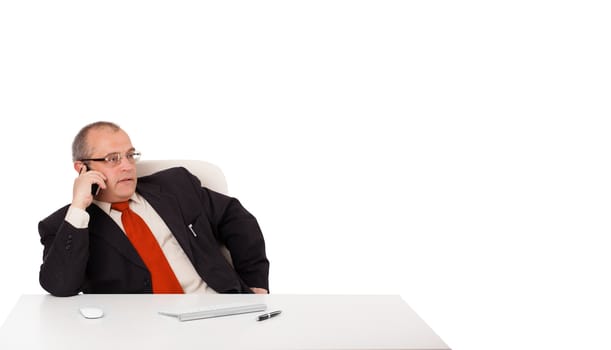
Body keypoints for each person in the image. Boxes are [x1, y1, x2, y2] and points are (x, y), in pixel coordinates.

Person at [38, 121, 269, 296]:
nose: (127, 166)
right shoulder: (66, 225)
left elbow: (236, 218)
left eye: (130, 155)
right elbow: (60, 286)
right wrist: (79, 207)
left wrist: (255, 283)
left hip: (217, 308)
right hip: (138, 331)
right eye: (112, 159)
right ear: (82, 168)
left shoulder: (176, 186)